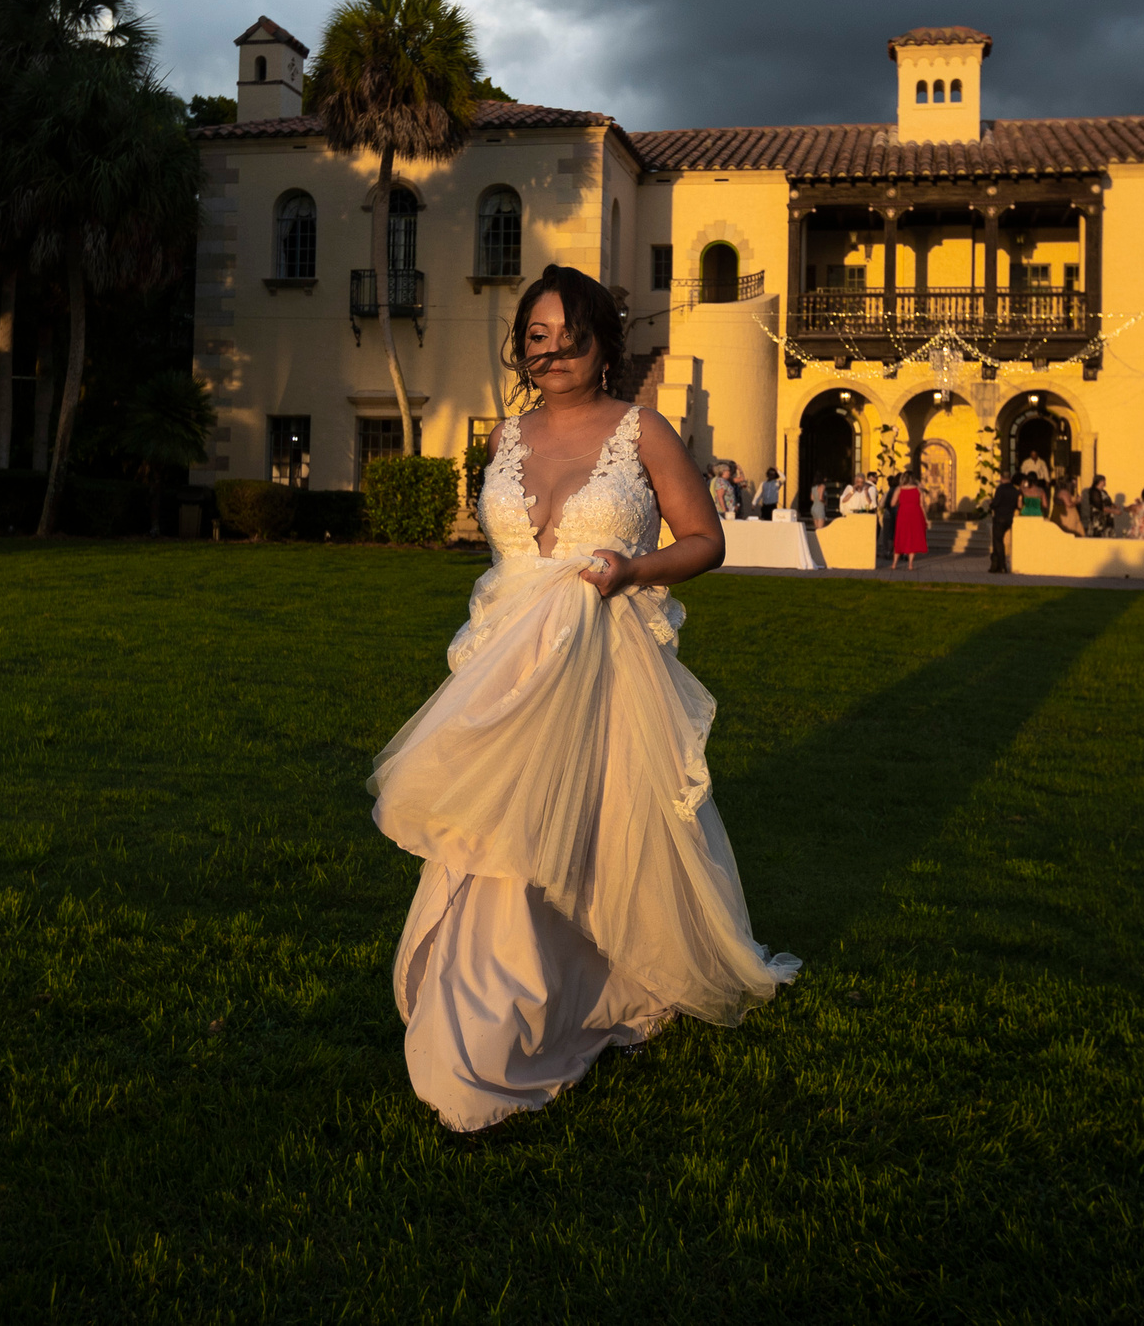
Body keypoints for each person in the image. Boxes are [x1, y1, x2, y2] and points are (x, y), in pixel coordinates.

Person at [369, 264, 796, 1133]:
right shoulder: (505, 437)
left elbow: (705, 539)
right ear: (521, 345)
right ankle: (483, 999)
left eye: (573, 333)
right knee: (492, 826)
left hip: (603, 658)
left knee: (586, 828)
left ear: (603, 342)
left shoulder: (642, 430)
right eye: (537, 334)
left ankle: (518, 1016)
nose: (555, 348)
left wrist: (630, 569)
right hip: (505, 663)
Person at [890, 469, 930, 569]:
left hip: (903, 514)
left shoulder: (899, 489)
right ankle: (910, 564)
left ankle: (894, 564)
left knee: (900, 537)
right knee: (913, 538)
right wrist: (926, 519)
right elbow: (922, 505)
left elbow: (892, 503)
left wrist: (902, 502)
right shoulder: (918, 490)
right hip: (916, 514)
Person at [989, 474, 1020, 572]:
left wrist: (991, 504)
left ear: (1002, 478)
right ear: (1010, 479)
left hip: (999, 518)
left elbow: (996, 503)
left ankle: (1002, 566)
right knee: (999, 541)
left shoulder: (1000, 489)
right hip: (1009, 518)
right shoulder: (1015, 490)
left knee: (998, 541)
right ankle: (997, 566)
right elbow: (1017, 505)